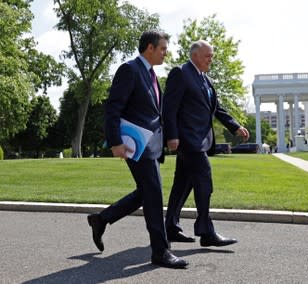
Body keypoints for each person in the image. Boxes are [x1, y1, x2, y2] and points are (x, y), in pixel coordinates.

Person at [87, 30, 187, 269]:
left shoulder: (151, 75)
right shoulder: (129, 70)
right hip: (135, 145)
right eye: (163, 48)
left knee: (146, 192)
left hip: (151, 146)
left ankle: (101, 219)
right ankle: (161, 251)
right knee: (154, 193)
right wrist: (115, 142)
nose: (166, 53)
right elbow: (113, 108)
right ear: (149, 48)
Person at [163, 40, 250, 247]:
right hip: (188, 140)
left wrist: (235, 126)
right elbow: (169, 107)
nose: (211, 59)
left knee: (182, 185)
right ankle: (206, 231)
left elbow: (216, 108)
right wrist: (171, 136)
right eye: (207, 55)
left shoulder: (205, 79)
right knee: (204, 180)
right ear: (194, 55)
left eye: (211, 55)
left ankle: (170, 228)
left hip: (201, 140)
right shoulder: (180, 73)